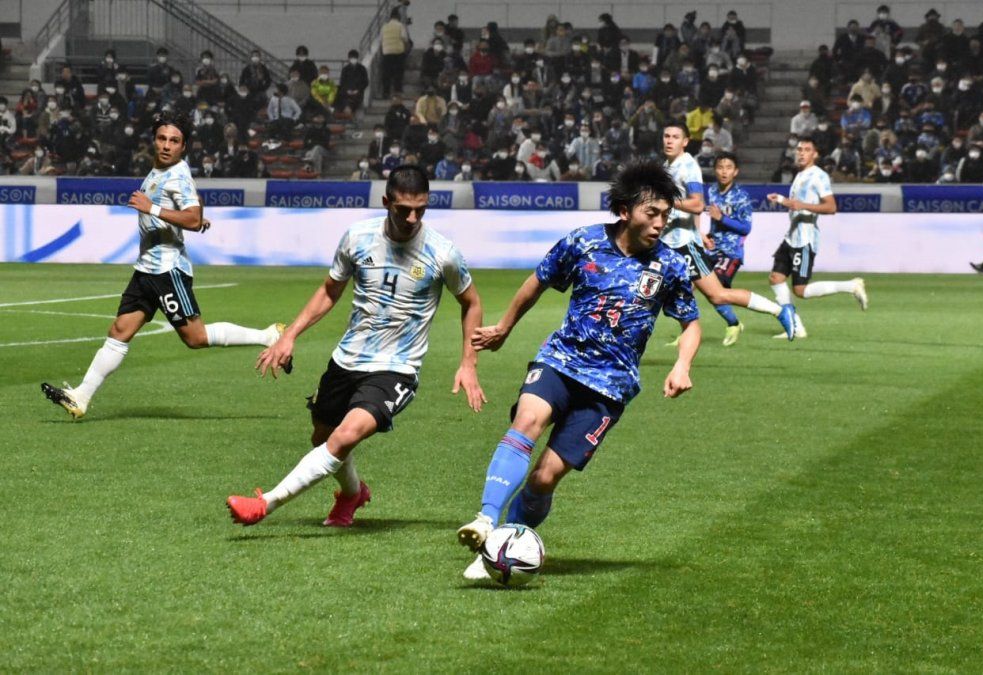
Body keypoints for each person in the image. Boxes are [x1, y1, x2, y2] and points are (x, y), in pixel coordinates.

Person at [455, 162, 701, 580]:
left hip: (610, 386)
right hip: (561, 360)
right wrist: (504, 328)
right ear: (624, 211)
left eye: (666, 215)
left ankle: (500, 551)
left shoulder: (671, 266)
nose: (661, 223)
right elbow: (538, 281)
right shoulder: (583, 242)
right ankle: (485, 519)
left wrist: (682, 364)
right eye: (652, 213)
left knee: (546, 477)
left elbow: (690, 322)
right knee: (527, 420)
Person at [227, 166, 486, 528]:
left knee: (345, 435)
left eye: (421, 209)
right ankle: (352, 493)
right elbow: (329, 290)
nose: (412, 218)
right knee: (323, 436)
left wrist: (468, 363)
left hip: (397, 367)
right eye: (403, 209)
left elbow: (471, 302)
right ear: (386, 202)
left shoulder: (443, 253)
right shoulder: (357, 237)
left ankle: (265, 504)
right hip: (347, 359)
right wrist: (290, 334)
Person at [41, 112, 285, 420]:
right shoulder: (161, 170)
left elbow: (192, 217)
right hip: (146, 269)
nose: (167, 145)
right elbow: (193, 210)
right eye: (162, 139)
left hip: (167, 271)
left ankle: (268, 336)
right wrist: (187, 217)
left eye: (174, 141)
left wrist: (155, 208)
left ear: (184, 147)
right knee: (119, 330)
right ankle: (81, 397)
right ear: (154, 140)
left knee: (195, 338)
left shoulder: (177, 175)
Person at [660, 122, 796, 342]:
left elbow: (696, 204)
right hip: (671, 243)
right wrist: (699, 230)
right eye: (666, 136)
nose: (669, 140)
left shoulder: (688, 166)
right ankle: (688, 334)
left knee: (718, 294)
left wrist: (666, 202)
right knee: (681, 295)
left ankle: (779, 311)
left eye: (675, 137)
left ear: (685, 142)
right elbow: (692, 210)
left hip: (684, 245)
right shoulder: (667, 166)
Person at [765, 136, 868, 339]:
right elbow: (795, 203)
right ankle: (795, 327)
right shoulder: (800, 174)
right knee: (775, 277)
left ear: (815, 154)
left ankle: (851, 286)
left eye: (806, 149)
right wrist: (781, 199)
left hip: (805, 238)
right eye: (799, 149)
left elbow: (831, 207)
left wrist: (800, 205)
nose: (801, 152)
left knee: (800, 290)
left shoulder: (818, 176)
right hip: (792, 236)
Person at [702, 152, 755, 346]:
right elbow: (715, 224)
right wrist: (708, 235)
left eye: (728, 168)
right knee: (692, 286)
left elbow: (746, 228)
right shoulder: (713, 192)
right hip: (712, 250)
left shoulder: (741, 197)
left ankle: (734, 323)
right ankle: (687, 332)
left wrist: (721, 218)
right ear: (715, 170)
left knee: (716, 291)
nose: (724, 171)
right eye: (720, 167)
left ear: (736, 172)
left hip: (731, 253)